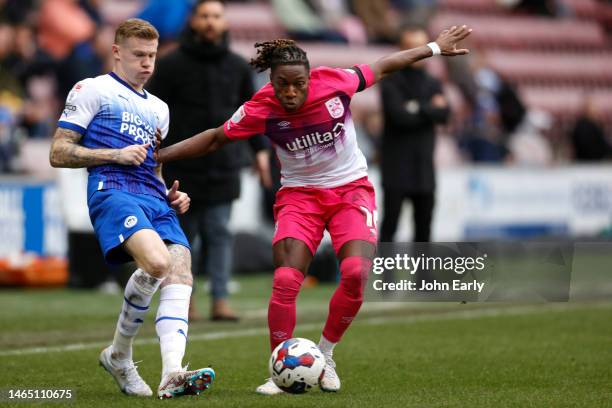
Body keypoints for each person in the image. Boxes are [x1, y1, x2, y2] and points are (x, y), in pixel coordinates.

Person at [156, 24, 472, 395]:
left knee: (354, 272)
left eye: (298, 83)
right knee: (286, 280)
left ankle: (325, 357)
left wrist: (433, 47)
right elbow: (214, 138)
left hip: (350, 191)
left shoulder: (335, 82)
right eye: (282, 83)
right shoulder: (261, 106)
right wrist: (160, 155)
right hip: (299, 197)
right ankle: (280, 365)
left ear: (309, 77)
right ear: (271, 80)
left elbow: (384, 66)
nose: (290, 92)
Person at [48, 18, 214, 399]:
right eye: (139, 55)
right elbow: (58, 151)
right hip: (112, 189)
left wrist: (172, 195)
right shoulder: (92, 89)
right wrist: (115, 154)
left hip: (153, 197)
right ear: (117, 51)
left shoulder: (159, 109)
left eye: (152, 56)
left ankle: (169, 371)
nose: (147, 64)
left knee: (180, 272)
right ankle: (122, 354)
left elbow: (154, 166)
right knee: (156, 263)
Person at [147, 0, 270, 322]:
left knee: (219, 233)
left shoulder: (238, 66)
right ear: (193, 21)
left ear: (225, 23)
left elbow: (252, 113)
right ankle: (183, 300)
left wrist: (260, 153)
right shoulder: (171, 65)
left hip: (224, 165)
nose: (210, 22)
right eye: (204, 16)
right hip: (181, 168)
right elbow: (153, 112)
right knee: (182, 237)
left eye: (216, 16)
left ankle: (221, 300)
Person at [379, 26, 450, 243]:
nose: (419, 52)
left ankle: (424, 278)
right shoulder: (391, 80)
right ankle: (386, 278)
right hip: (396, 168)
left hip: (424, 168)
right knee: (390, 227)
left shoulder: (433, 81)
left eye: (423, 46)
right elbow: (400, 117)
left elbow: (445, 114)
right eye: (412, 47)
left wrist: (416, 107)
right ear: (402, 49)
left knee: (424, 232)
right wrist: (430, 108)